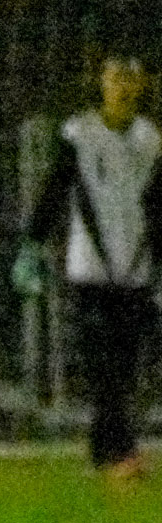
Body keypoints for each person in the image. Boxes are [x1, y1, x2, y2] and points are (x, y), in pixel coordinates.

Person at [16, 51, 162, 490]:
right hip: (90, 269)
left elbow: (157, 205)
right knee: (104, 366)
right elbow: (55, 188)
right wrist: (32, 245)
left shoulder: (150, 139)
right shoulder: (79, 133)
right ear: (102, 82)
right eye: (114, 77)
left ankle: (104, 452)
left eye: (129, 79)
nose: (121, 86)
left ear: (140, 86)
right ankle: (123, 453)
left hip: (135, 270)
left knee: (125, 365)